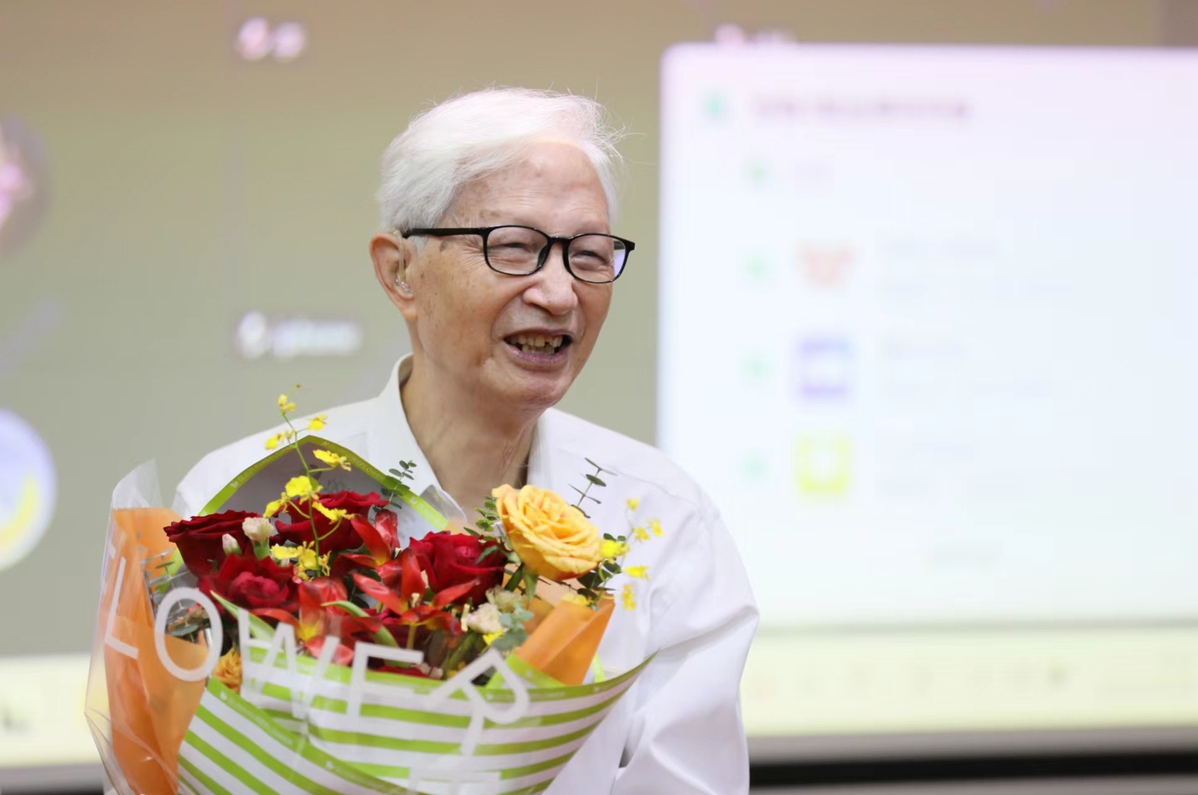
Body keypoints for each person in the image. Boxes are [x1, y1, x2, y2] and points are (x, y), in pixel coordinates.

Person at [174, 87, 758, 794]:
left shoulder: (661, 520)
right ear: (400, 272)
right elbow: (166, 757)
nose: (560, 294)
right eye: (514, 248)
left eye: (589, 254)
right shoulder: (243, 498)